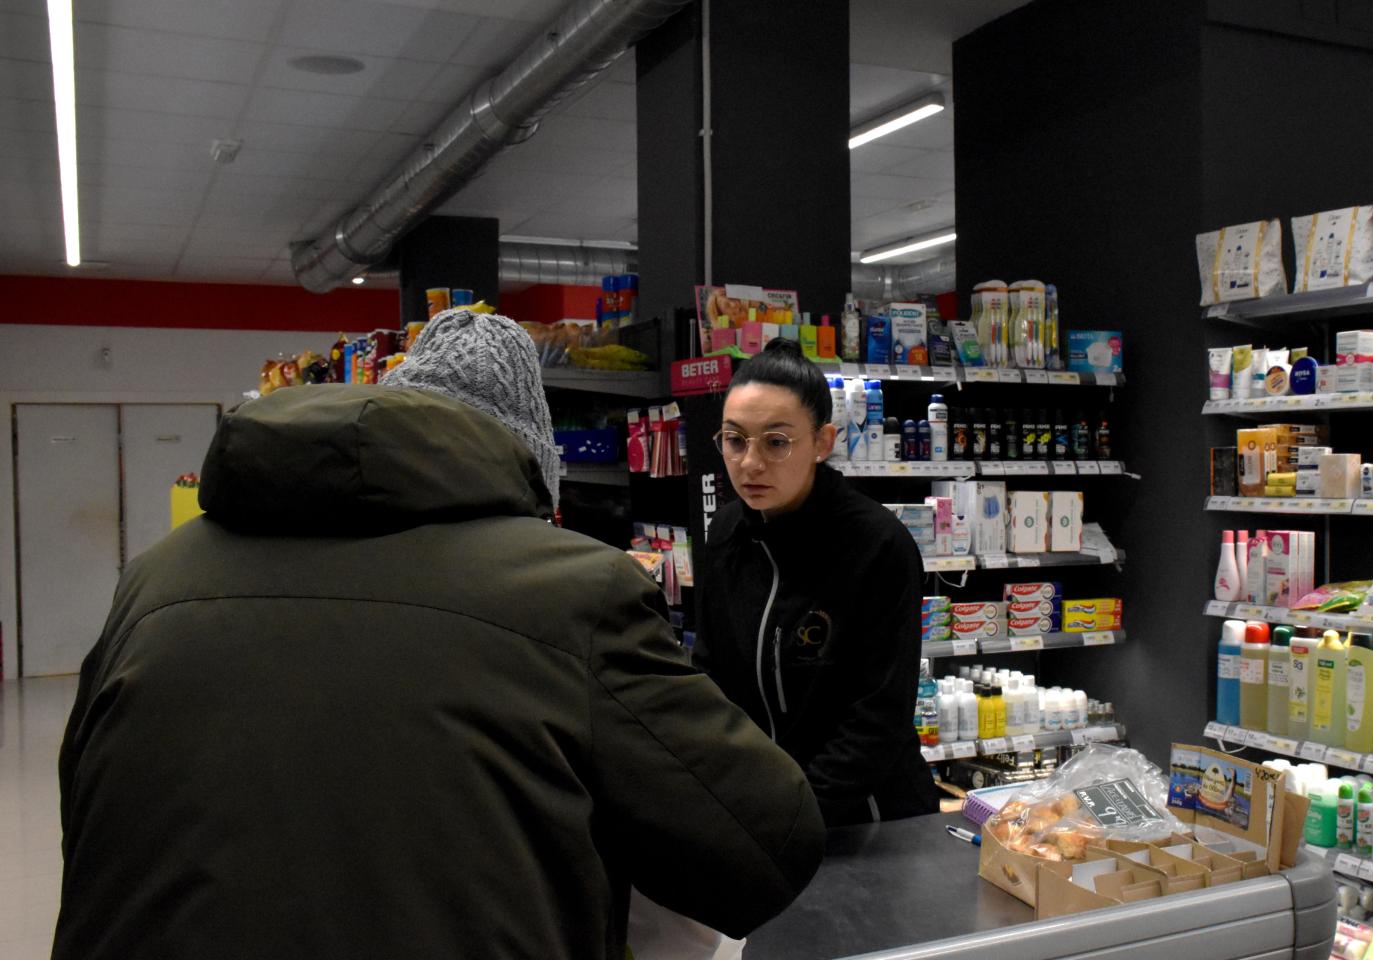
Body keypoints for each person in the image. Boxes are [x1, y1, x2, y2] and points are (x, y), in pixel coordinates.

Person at [54, 310, 824, 960]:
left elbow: (86, 816)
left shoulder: (153, 582)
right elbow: (766, 842)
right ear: (526, 468)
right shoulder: (572, 593)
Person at [694, 339, 938, 827]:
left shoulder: (878, 545)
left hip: (870, 820)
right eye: (735, 439)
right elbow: (711, 676)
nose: (750, 463)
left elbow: (878, 716)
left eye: (776, 441)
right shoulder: (725, 534)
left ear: (822, 443)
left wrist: (797, 816)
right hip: (765, 813)